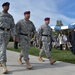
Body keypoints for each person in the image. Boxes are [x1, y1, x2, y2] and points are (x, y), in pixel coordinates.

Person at [0, 2, 15, 74]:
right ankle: (4, 65)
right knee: (3, 48)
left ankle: (1, 61)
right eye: (6, 6)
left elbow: (13, 26)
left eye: (8, 6)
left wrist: (14, 35)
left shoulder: (10, 16)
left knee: (3, 48)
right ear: (3, 7)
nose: (7, 7)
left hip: (8, 33)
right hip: (0, 33)